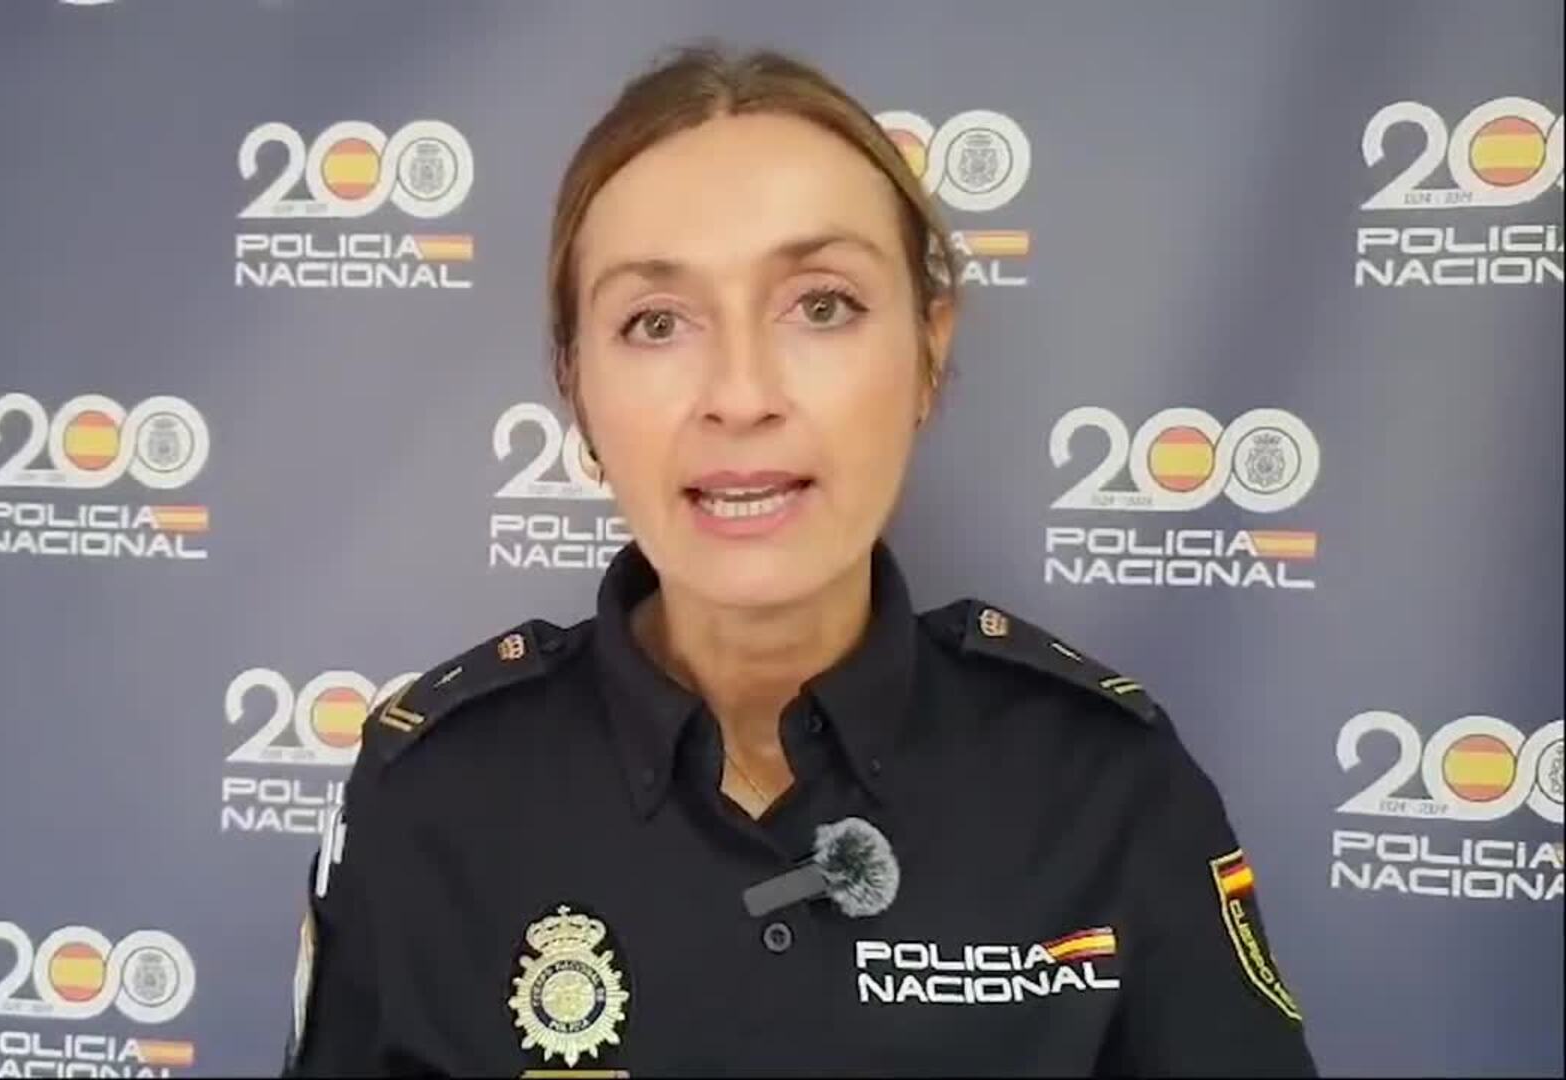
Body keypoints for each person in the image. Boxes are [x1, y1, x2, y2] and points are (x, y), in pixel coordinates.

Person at [286, 44, 1316, 1077]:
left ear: (930, 348)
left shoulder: (1107, 790)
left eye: (822, 305)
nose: (741, 395)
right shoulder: (428, 799)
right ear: (576, 387)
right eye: (655, 322)